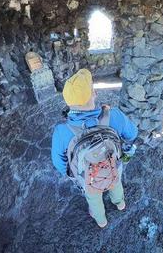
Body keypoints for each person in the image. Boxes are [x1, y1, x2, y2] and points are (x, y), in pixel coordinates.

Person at [51, 69, 138, 228]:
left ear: (69, 101)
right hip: (113, 166)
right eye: (92, 90)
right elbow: (132, 133)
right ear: (92, 95)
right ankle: (120, 203)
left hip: (87, 176)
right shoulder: (115, 115)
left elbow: (59, 163)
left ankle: (101, 220)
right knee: (115, 183)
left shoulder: (61, 132)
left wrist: (75, 175)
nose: (95, 92)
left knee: (94, 198)